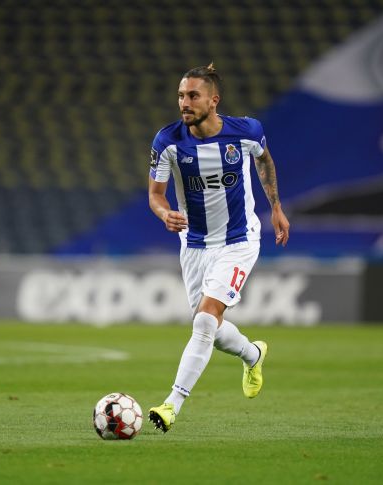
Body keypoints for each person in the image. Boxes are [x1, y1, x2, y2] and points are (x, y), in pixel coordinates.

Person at [147, 63, 290, 432]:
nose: (184, 103)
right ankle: (253, 353)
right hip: (193, 245)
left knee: (206, 320)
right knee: (208, 323)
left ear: (214, 100)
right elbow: (156, 195)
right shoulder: (168, 141)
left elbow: (264, 161)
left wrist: (275, 207)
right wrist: (165, 214)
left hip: (239, 241)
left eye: (192, 95)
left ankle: (171, 405)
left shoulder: (246, 131)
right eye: (181, 95)